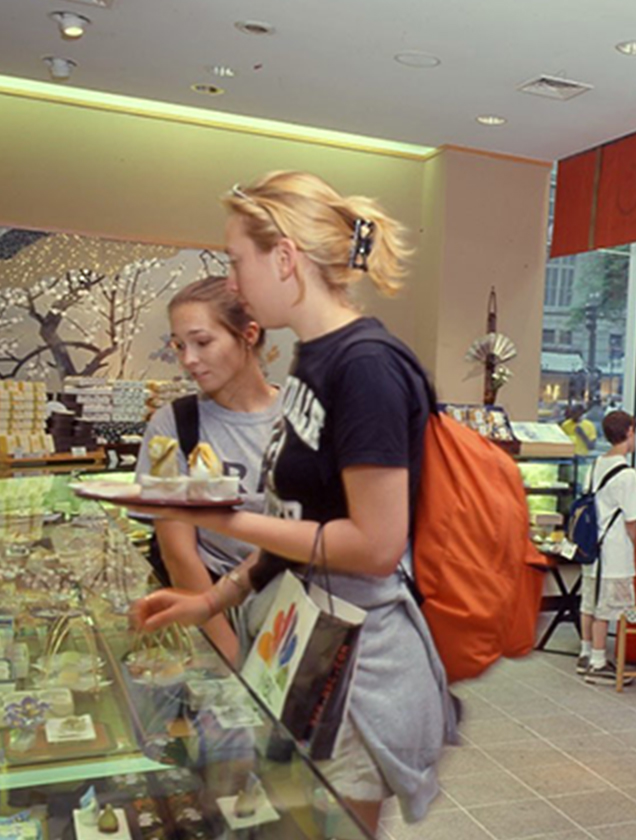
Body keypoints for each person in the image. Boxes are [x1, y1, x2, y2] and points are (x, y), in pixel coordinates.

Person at [131, 171, 457, 831]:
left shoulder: (364, 366)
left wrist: (222, 517)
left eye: (236, 260)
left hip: (361, 673)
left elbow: (374, 544)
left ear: (284, 257)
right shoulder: (314, 360)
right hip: (307, 654)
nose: (233, 280)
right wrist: (212, 600)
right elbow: (297, 526)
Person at [135, 276, 280, 664]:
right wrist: (229, 655)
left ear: (248, 334)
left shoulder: (300, 418)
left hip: (291, 608)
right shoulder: (172, 425)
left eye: (202, 342)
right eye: (180, 345)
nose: (188, 360)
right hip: (211, 607)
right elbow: (179, 553)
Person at [579, 410, 636, 684]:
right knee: (607, 608)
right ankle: (598, 661)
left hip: (592, 548)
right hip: (615, 550)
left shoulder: (596, 465)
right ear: (629, 431)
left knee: (590, 602)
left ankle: (585, 653)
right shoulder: (627, 475)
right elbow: (633, 521)